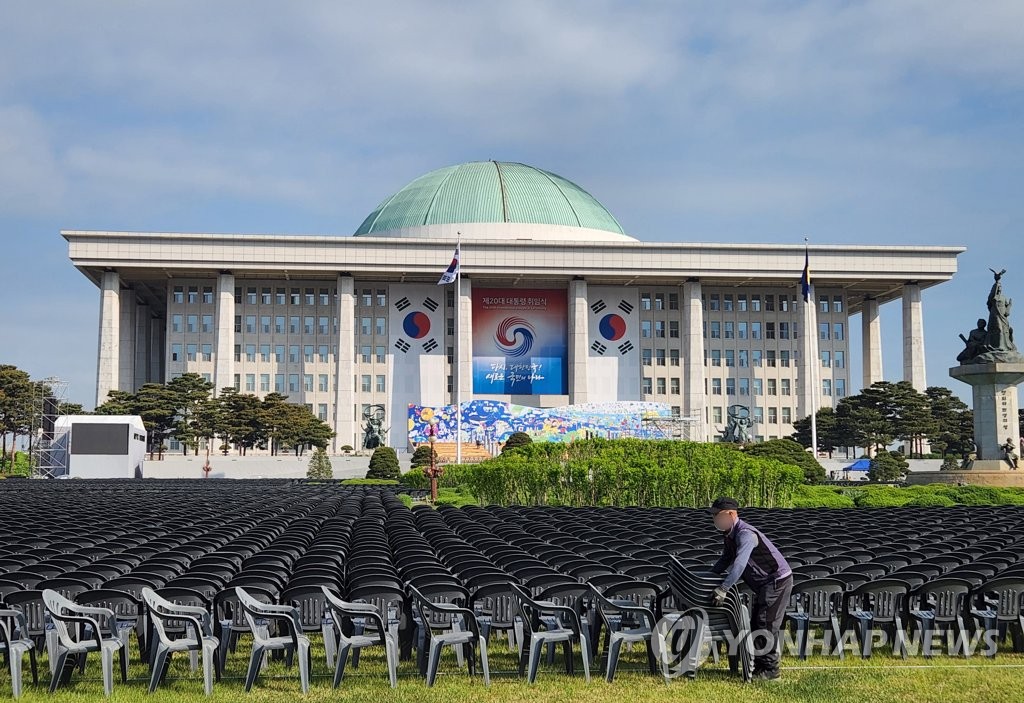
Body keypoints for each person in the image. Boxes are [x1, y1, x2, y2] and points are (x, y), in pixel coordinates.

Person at [709, 497, 793, 681]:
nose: (714, 519)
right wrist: (706, 577)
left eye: (717, 515)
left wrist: (723, 588)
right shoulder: (730, 534)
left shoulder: (745, 534)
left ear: (730, 514)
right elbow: (725, 560)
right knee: (758, 623)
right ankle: (760, 669)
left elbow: (739, 564)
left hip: (777, 581)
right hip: (764, 584)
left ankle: (771, 672)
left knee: (765, 625)